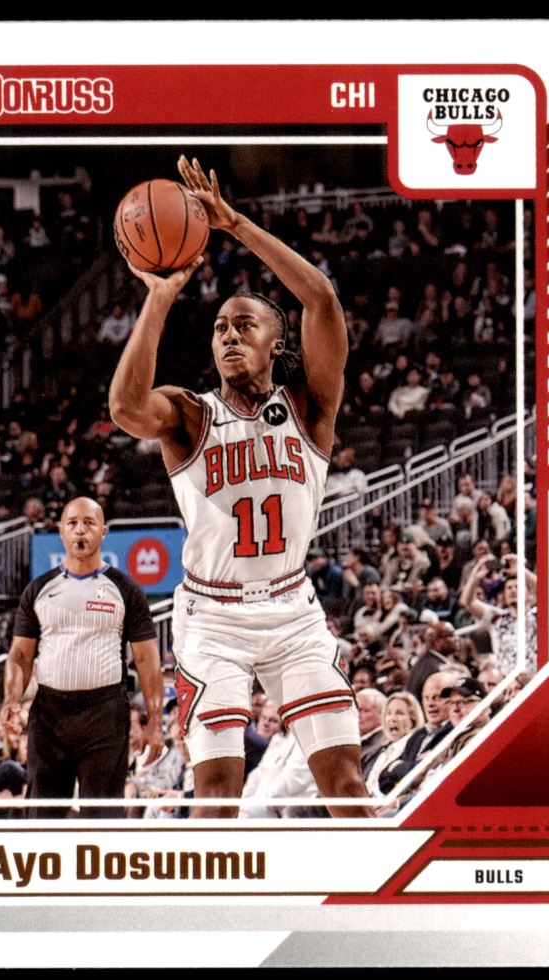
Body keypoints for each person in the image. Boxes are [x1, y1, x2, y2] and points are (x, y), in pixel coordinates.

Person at [109, 155, 373, 819]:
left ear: (276, 344)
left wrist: (235, 226)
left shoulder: (310, 404)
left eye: (244, 325)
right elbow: (125, 408)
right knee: (217, 793)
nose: (228, 335)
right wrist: (159, 298)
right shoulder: (190, 414)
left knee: (346, 785)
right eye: (220, 327)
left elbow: (321, 300)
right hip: (213, 618)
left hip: (292, 612)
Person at [1, 497, 164, 818]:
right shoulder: (38, 588)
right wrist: (11, 699)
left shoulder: (126, 589)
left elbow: (147, 660)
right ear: (61, 531)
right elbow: (20, 656)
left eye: (89, 523)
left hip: (105, 715)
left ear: (103, 532)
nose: (80, 530)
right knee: (42, 819)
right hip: (49, 716)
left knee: (103, 820)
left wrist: (155, 721)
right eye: (72, 523)